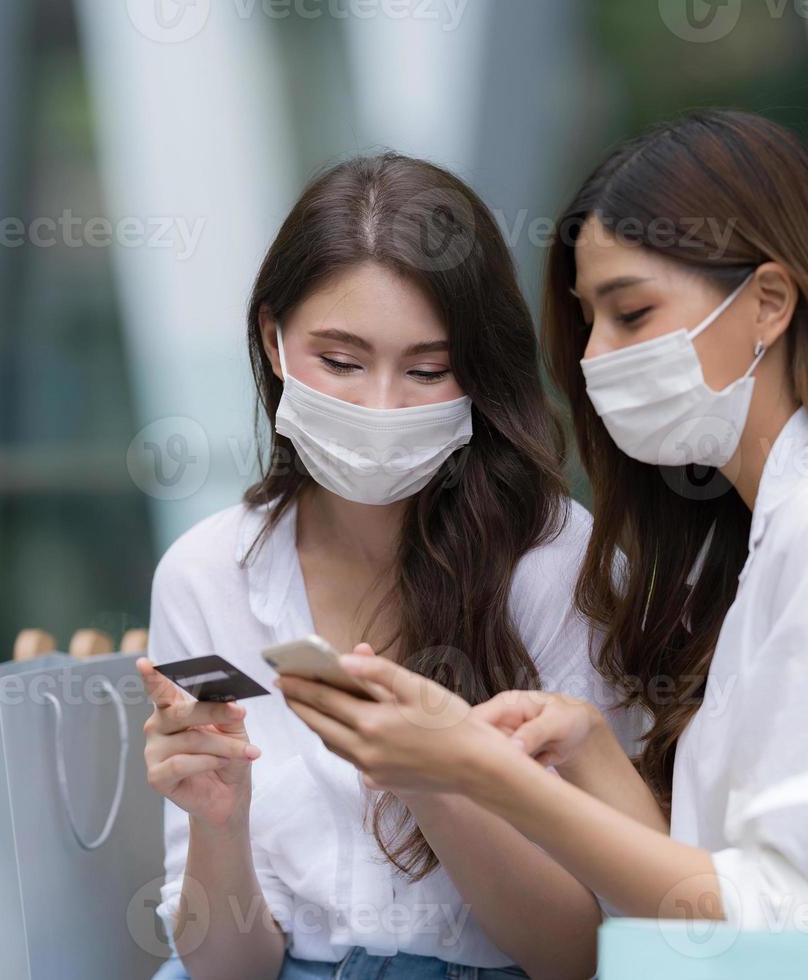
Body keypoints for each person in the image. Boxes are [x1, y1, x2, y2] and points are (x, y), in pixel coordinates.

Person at [277, 109, 808, 931]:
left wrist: (479, 773)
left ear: (768, 303)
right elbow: (708, 894)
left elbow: (802, 919)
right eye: (588, 322)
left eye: (632, 314)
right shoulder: (781, 528)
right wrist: (585, 748)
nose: (592, 359)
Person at [139, 152, 635, 980]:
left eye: (427, 370)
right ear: (273, 340)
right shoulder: (205, 573)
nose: (379, 407)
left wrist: (434, 777)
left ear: (477, 374)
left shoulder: (555, 566)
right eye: (340, 361)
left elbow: (577, 954)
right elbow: (227, 969)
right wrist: (218, 823)